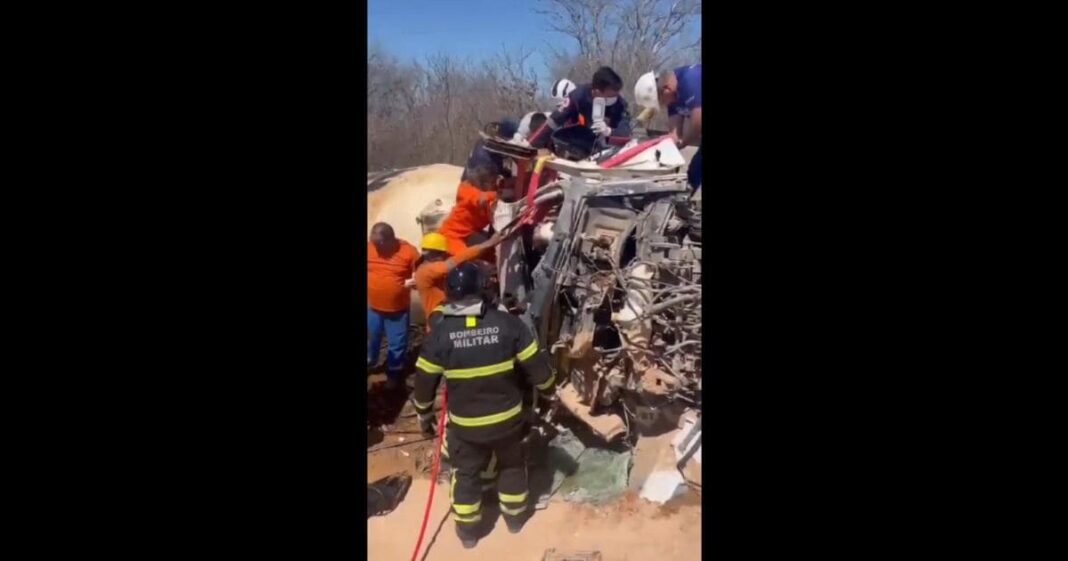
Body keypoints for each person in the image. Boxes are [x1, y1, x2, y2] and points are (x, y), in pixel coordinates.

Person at [411, 262, 556, 548]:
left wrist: (423, 416)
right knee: (512, 467)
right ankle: (515, 521)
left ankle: (468, 534)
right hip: (509, 423)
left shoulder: (440, 334)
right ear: (484, 289)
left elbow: (424, 382)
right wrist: (549, 393)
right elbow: (539, 370)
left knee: (465, 476)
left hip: (466, 429)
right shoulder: (509, 325)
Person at [413, 231, 504, 332]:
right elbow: (454, 262)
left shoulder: (431, 268)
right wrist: (488, 244)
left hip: (449, 321)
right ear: (430, 253)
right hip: (438, 325)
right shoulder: (425, 271)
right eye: (441, 253)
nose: (444, 255)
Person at [367, 223, 420, 390]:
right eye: (373, 243)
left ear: (391, 240)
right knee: (371, 339)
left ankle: (394, 374)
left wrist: (413, 282)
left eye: (379, 244)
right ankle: (370, 363)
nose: (375, 247)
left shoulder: (409, 252)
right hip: (373, 307)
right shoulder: (369, 248)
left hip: (397, 310)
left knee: (397, 344)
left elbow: (421, 276)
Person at [634, 64, 702, 189]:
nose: (664, 105)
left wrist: (684, 141)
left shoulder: (690, 80)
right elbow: (675, 135)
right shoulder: (672, 96)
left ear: (666, 89)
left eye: (661, 101)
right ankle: (682, 198)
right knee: (695, 171)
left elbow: (698, 121)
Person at [528, 66, 632, 147]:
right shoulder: (578, 96)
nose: (614, 98)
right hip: (583, 139)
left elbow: (625, 133)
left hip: (611, 144)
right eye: (610, 96)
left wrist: (608, 131)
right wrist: (531, 143)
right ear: (596, 91)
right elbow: (554, 120)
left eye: (616, 95)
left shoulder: (620, 104)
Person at [436, 164, 500, 258]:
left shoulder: (486, 191)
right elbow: (480, 199)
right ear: (483, 183)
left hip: (468, 235)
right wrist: (498, 194)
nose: (494, 185)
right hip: (450, 237)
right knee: (466, 259)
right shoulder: (466, 190)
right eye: (492, 182)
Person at [460, 119, 518, 183]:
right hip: (478, 190)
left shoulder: (481, 143)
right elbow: (491, 173)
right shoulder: (491, 155)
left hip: (464, 186)